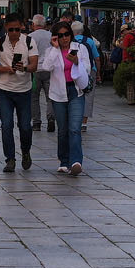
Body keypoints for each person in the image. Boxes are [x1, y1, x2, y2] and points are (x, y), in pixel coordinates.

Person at [40, 21, 92, 174]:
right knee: (62, 129)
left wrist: (76, 62)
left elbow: (87, 68)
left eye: (66, 34)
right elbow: (46, 67)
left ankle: (76, 161)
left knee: (74, 128)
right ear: (55, 37)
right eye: (60, 35)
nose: (64, 38)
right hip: (58, 93)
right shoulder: (51, 50)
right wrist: (55, 49)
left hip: (75, 91)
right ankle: (64, 160)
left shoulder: (80, 49)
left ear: (71, 34)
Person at [0, 14, 38, 172]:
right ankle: (10, 159)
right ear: (6, 29)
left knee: (25, 126)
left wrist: (24, 68)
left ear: (22, 27)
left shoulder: (29, 42)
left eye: (17, 29)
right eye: (11, 30)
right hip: (5, 90)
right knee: (6, 125)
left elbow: (34, 64)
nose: (15, 32)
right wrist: (6, 69)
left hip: (24, 90)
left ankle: (25, 152)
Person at [72, 20, 101, 130]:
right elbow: (97, 58)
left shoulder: (70, 41)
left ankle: (75, 119)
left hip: (74, 71)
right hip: (89, 71)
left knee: (75, 94)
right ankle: (84, 123)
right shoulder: (89, 41)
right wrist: (98, 72)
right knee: (89, 95)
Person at [29, 14, 54, 132]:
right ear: (44, 25)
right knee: (50, 97)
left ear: (33, 25)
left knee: (34, 97)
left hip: (35, 71)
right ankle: (51, 119)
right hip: (49, 70)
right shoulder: (51, 36)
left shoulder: (30, 37)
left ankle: (36, 122)